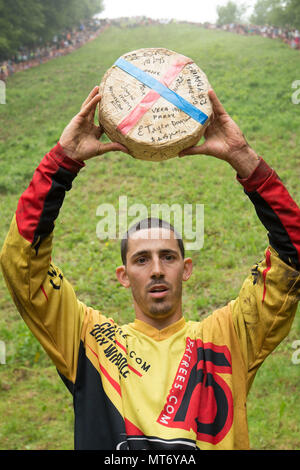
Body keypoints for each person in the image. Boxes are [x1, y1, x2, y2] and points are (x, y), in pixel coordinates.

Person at [1, 86, 300, 451]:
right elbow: (22, 263)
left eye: (168, 257)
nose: (157, 269)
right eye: (142, 259)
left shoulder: (229, 336)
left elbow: (293, 256)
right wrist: (62, 162)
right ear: (123, 275)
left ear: (186, 268)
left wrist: (243, 158)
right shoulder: (90, 341)